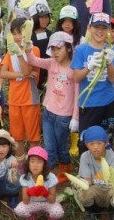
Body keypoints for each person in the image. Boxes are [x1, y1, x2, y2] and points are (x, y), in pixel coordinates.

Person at [26, 31, 78, 183]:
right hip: (48, 111)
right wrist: (28, 48)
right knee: (49, 144)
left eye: (58, 48)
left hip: (64, 115)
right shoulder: (51, 63)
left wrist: (75, 117)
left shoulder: (74, 68)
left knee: (61, 144)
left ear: (68, 48)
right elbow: (33, 60)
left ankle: (65, 167)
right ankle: (49, 172)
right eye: (52, 49)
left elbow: (77, 95)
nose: (54, 52)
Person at [72, 13, 114, 150]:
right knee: (86, 143)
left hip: (108, 102)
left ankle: (105, 170)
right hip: (88, 104)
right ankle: (87, 170)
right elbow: (76, 78)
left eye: (104, 28)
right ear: (89, 28)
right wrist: (89, 67)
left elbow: (112, 78)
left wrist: (110, 62)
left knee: (106, 141)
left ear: (109, 30)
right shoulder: (81, 50)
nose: (100, 31)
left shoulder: (113, 50)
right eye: (96, 27)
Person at [1, 18, 40, 162]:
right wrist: (20, 75)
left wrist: (19, 54)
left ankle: (34, 164)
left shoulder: (33, 50)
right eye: (14, 34)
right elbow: (4, 73)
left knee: (33, 137)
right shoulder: (9, 53)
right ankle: (20, 165)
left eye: (20, 33)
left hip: (29, 98)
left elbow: (26, 69)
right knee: (17, 137)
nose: (17, 37)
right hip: (14, 99)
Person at [75, 126, 114, 220]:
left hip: (109, 189)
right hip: (95, 189)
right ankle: (93, 213)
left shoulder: (112, 157)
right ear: (86, 145)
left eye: (99, 143)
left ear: (106, 143)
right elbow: (88, 181)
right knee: (83, 194)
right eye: (91, 144)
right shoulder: (85, 156)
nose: (95, 147)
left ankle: (112, 212)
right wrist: (80, 182)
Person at [13, 146, 63, 220]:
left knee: (58, 212)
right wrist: (29, 192)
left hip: (48, 203)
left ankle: (51, 219)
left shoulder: (51, 177)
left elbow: (52, 200)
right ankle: (32, 216)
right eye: (32, 161)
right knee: (19, 210)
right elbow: (25, 201)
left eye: (39, 162)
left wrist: (45, 193)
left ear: (44, 164)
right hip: (32, 202)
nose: (35, 165)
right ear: (28, 163)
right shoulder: (25, 177)